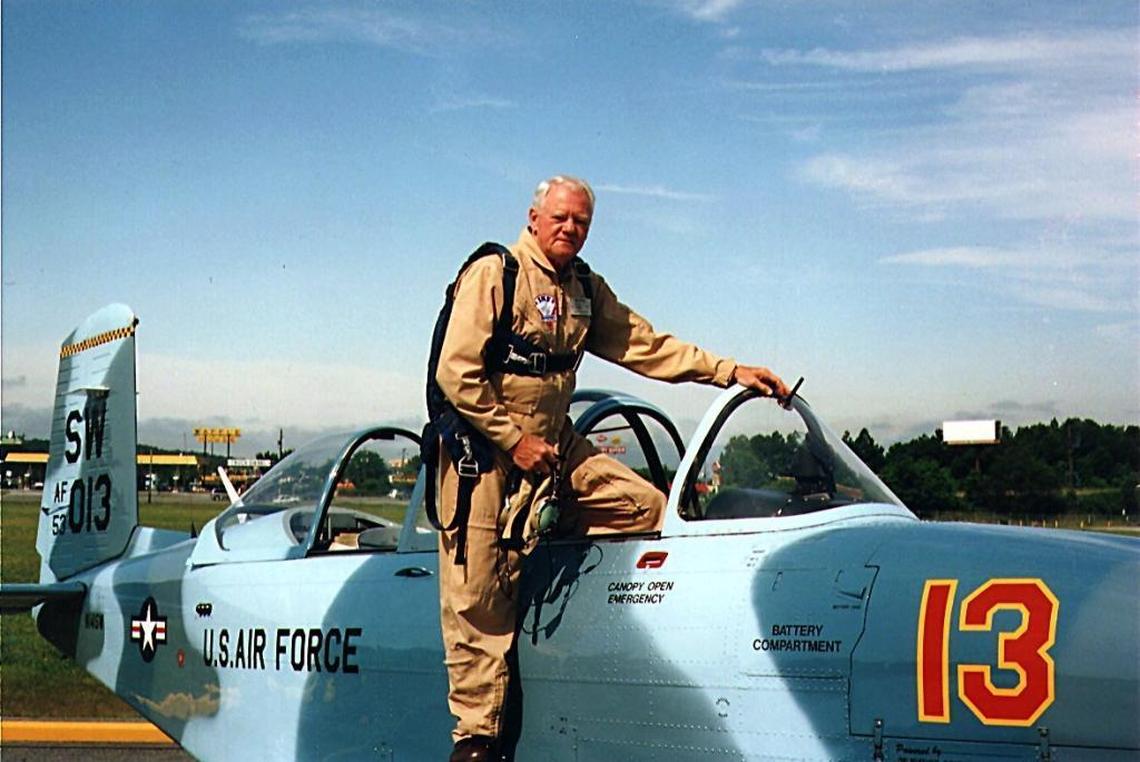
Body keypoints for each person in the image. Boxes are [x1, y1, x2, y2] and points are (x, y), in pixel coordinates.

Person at [434, 175, 789, 761]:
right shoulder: (496, 275)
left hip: (555, 445)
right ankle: (477, 742)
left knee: (646, 509)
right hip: (483, 453)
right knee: (479, 603)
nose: (571, 228)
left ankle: (542, 578)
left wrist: (730, 371)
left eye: (582, 222)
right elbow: (457, 373)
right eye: (561, 218)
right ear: (533, 217)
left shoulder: (583, 289)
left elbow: (647, 345)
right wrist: (513, 439)